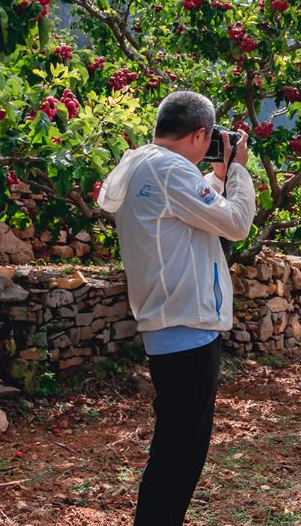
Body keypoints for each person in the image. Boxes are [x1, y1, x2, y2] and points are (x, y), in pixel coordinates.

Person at [97, 91, 256, 526]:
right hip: (187, 328)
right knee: (179, 456)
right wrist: (238, 169)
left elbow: (195, 212)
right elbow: (236, 223)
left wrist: (217, 178)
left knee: (174, 449)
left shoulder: (143, 164)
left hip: (170, 325)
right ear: (200, 134)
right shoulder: (170, 169)